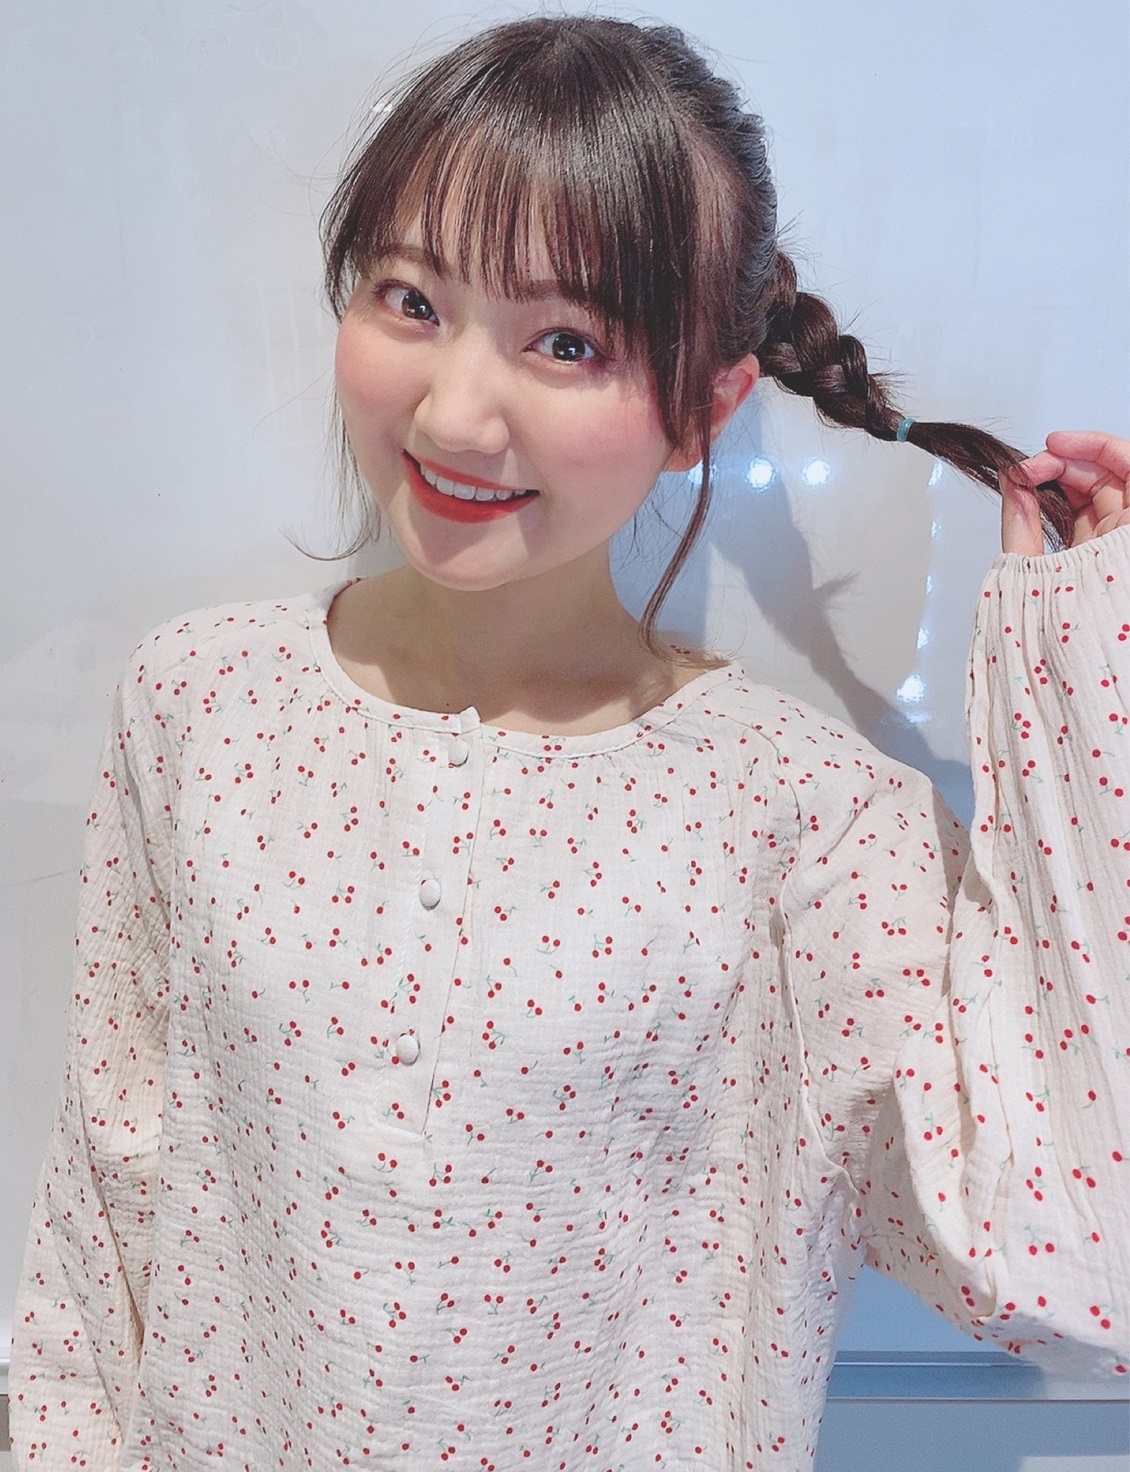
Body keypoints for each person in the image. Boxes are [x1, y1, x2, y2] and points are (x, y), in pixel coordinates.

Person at [10, 15, 1127, 1471]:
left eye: (565, 343)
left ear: (704, 406)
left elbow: (1064, 1250)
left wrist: (1083, 668)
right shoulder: (200, 704)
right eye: (410, 299)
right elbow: (103, 1223)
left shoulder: (802, 822)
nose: (455, 413)